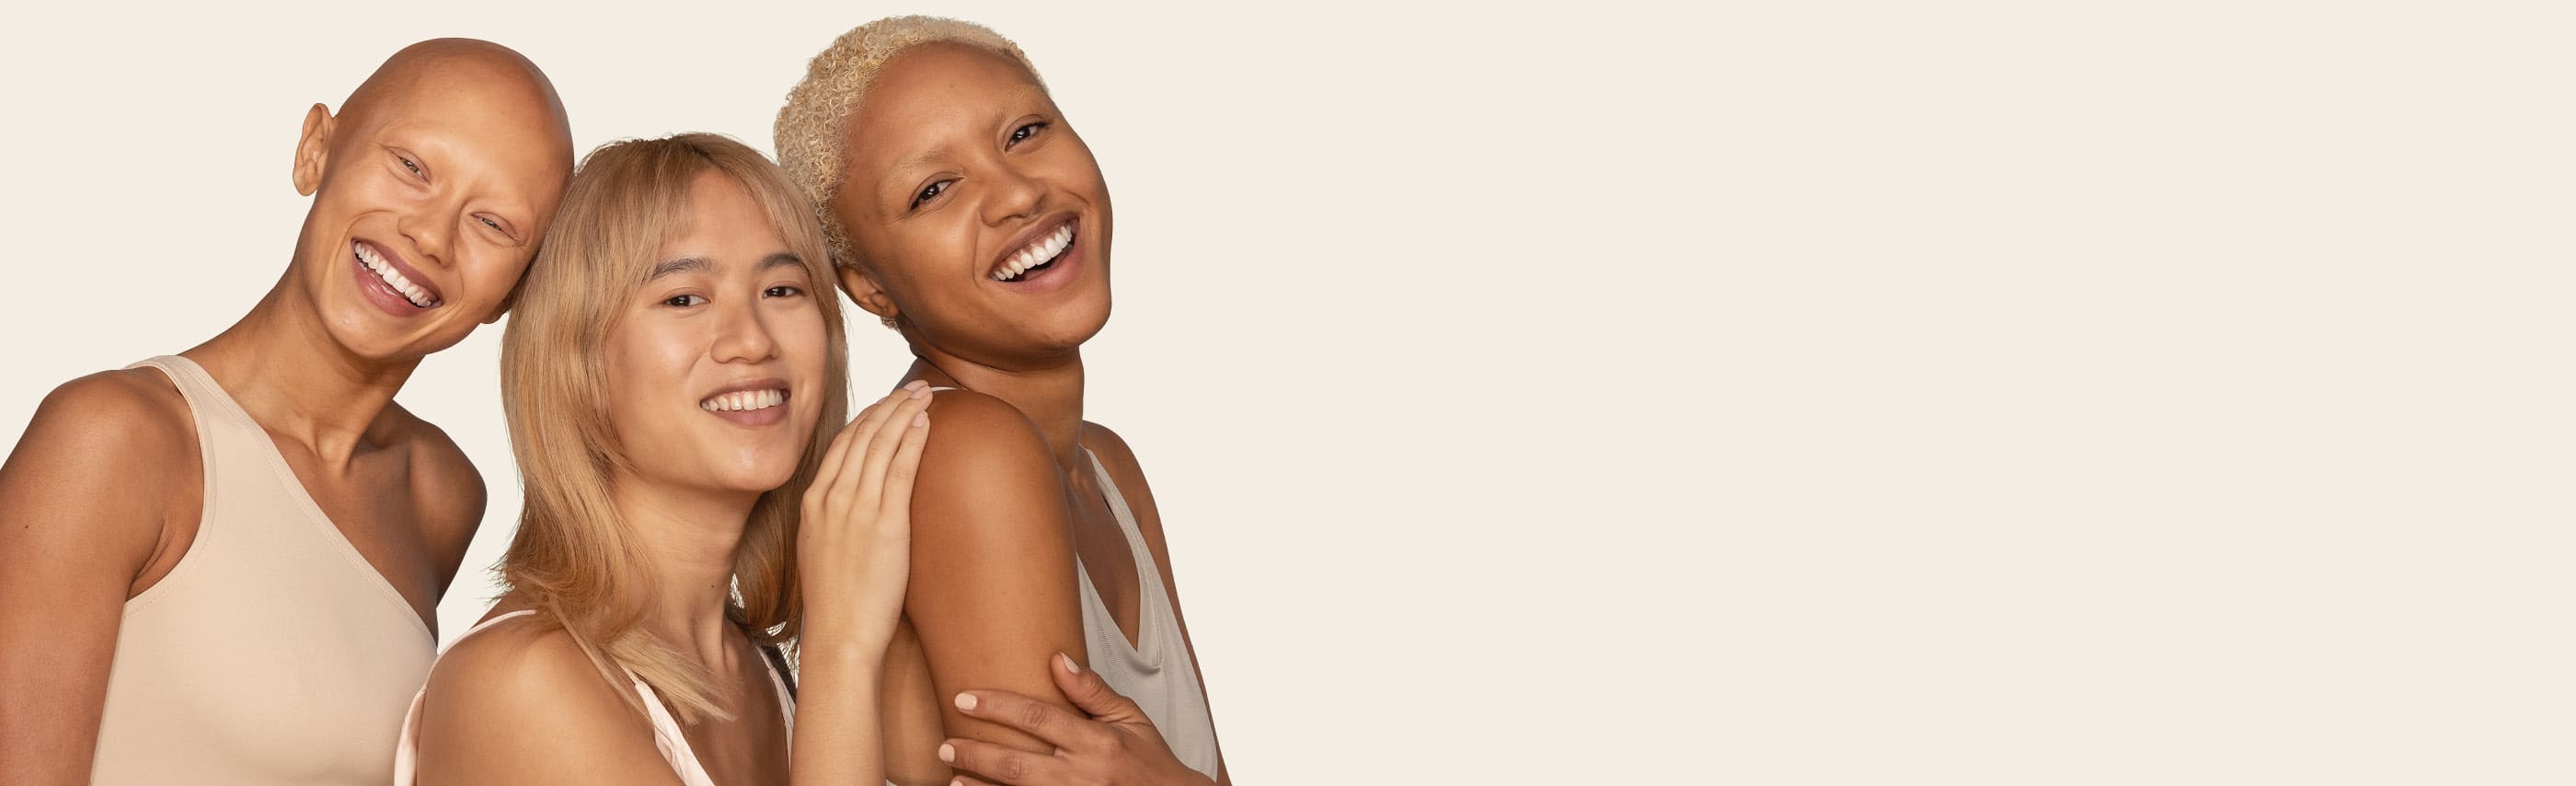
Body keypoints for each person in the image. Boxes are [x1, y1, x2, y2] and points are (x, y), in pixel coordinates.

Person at [0, 39, 575, 785]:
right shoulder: (114, 439)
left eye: (493, 223)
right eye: (410, 167)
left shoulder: (439, 493)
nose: (430, 236)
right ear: (316, 150)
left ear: (513, 291)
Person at [776, 17, 1230, 784]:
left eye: (1024, 132)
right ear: (870, 287)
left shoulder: (1108, 466)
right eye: (934, 190)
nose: (1018, 193)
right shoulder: (966, 451)